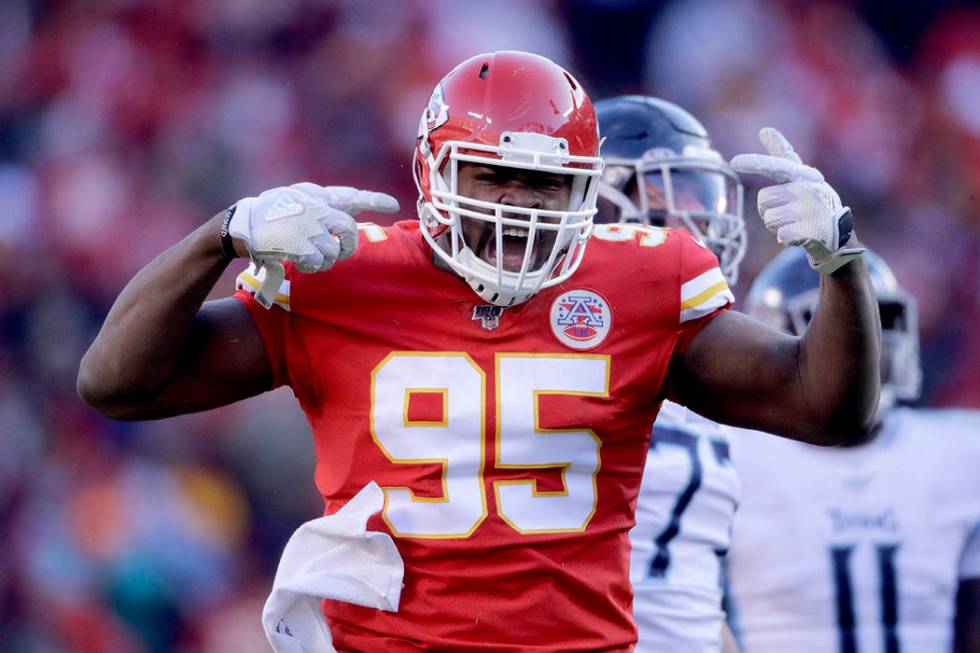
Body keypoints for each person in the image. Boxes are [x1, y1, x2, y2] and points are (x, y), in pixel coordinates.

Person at [77, 50, 881, 651]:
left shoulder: (645, 278)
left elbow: (826, 407)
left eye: (549, 185)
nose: (522, 206)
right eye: (494, 176)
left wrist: (839, 263)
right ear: (434, 168)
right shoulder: (345, 275)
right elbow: (116, 382)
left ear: (587, 189)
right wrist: (221, 237)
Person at [725, 248, 980, 653]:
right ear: (777, 346)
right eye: (838, 331)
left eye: (880, 324)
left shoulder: (961, 451)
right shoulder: (732, 458)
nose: (865, 350)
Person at [595, 94, 744, 652]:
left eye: (699, 195)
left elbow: (696, 580)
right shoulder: (555, 344)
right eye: (668, 193)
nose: (698, 218)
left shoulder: (715, 350)